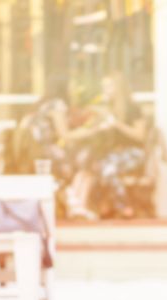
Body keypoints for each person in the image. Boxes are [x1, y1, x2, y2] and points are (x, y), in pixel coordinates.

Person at [64, 73, 147, 219]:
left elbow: (140, 136)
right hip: (112, 154)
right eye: (104, 86)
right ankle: (96, 207)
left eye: (109, 86)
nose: (105, 90)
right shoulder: (106, 109)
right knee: (93, 165)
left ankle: (123, 206)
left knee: (108, 169)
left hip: (134, 153)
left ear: (119, 87)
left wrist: (117, 124)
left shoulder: (133, 109)